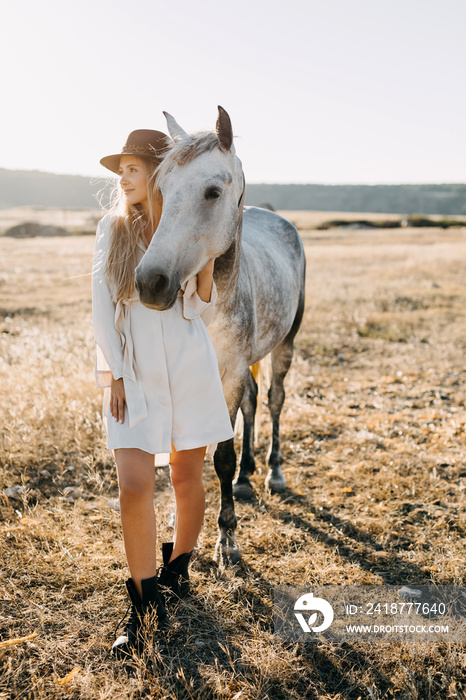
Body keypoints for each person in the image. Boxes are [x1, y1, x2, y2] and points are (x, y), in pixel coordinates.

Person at [92, 129, 234, 657]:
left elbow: (199, 310)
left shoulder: (185, 225)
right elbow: (102, 311)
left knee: (185, 475)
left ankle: (178, 568)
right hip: (135, 370)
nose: (123, 178)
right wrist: (117, 376)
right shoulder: (112, 229)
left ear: (161, 173)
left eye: (132, 168)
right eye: (121, 169)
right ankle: (143, 606)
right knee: (134, 485)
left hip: (188, 364)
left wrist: (205, 270)